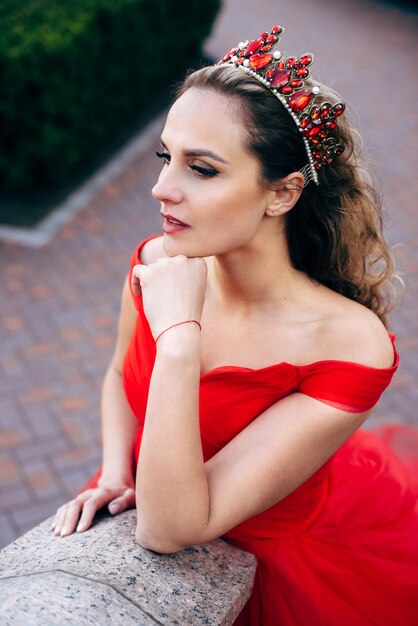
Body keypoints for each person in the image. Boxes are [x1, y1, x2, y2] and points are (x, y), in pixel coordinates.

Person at [51, 24, 418, 626]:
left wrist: (178, 344)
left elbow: (171, 529)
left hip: (286, 568)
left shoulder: (351, 346)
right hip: (150, 485)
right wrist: (118, 470)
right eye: (166, 156)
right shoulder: (153, 263)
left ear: (282, 193)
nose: (160, 188)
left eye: (202, 169)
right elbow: (120, 375)